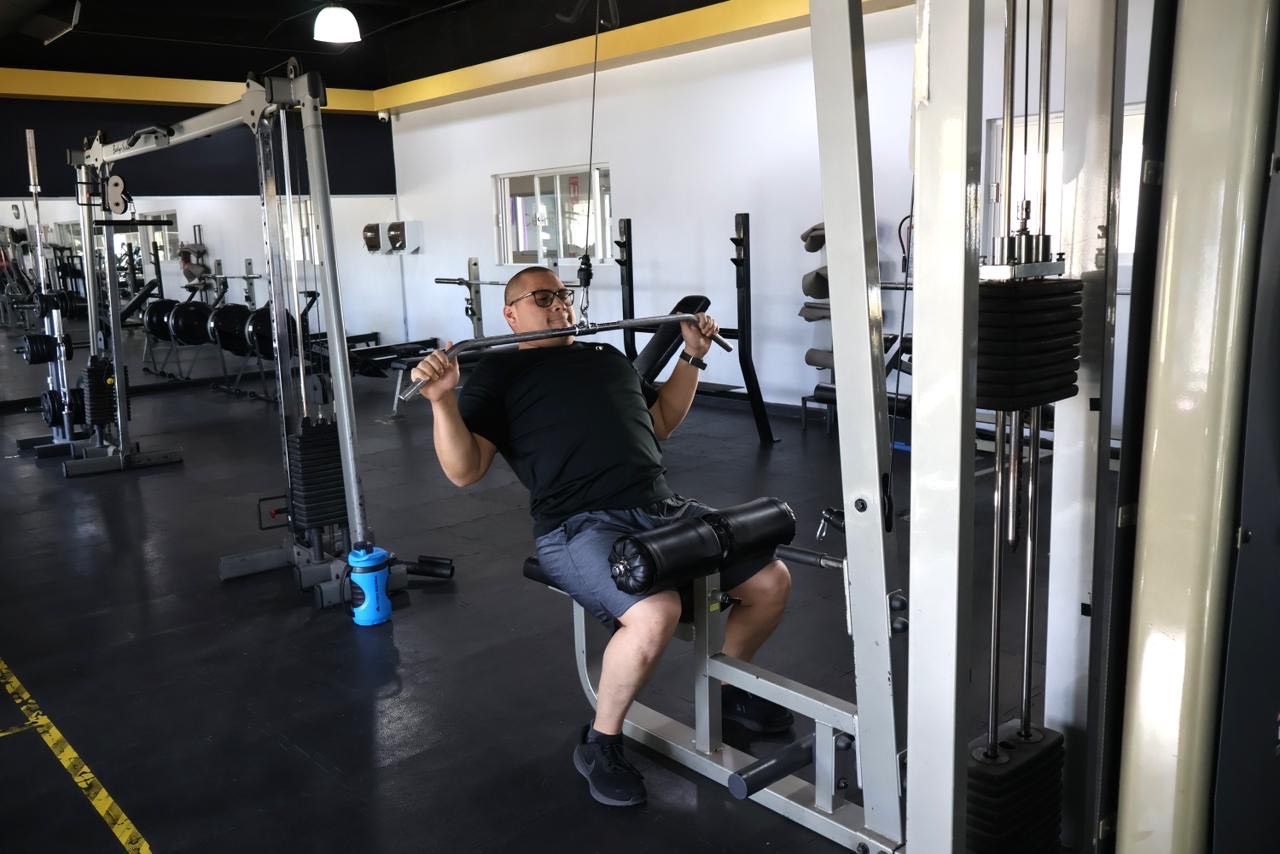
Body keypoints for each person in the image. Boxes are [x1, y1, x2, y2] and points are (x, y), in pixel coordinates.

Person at [412, 266, 792, 807]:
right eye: (542, 297)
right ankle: (601, 742)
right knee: (656, 611)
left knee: (771, 581)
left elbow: (661, 422)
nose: (559, 304)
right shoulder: (498, 371)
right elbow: (464, 470)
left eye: (563, 295)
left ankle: (730, 691)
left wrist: (691, 355)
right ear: (510, 314)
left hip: (663, 507)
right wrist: (441, 401)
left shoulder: (607, 358)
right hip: (578, 525)